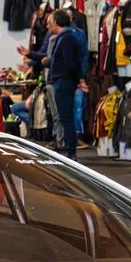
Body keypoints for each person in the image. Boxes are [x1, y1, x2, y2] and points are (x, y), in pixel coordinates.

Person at [46, 10, 84, 158]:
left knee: (66, 116)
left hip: (64, 82)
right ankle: (69, 147)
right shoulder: (66, 37)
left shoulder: (67, 38)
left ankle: (70, 149)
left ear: (56, 22)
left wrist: (76, 79)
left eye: (50, 22)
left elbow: (71, 63)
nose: (48, 26)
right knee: (65, 116)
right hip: (65, 81)